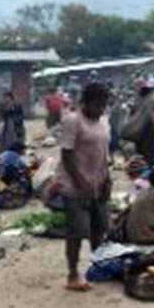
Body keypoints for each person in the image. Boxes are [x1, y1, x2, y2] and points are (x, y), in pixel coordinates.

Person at [55, 83, 112, 292]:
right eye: (98, 104)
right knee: (77, 231)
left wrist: (107, 179)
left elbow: (105, 154)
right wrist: (81, 183)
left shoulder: (104, 122)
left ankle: (97, 266)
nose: (101, 109)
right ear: (86, 102)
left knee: (99, 227)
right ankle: (72, 274)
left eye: (104, 105)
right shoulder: (73, 121)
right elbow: (67, 155)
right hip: (74, 185)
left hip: (97, 183)